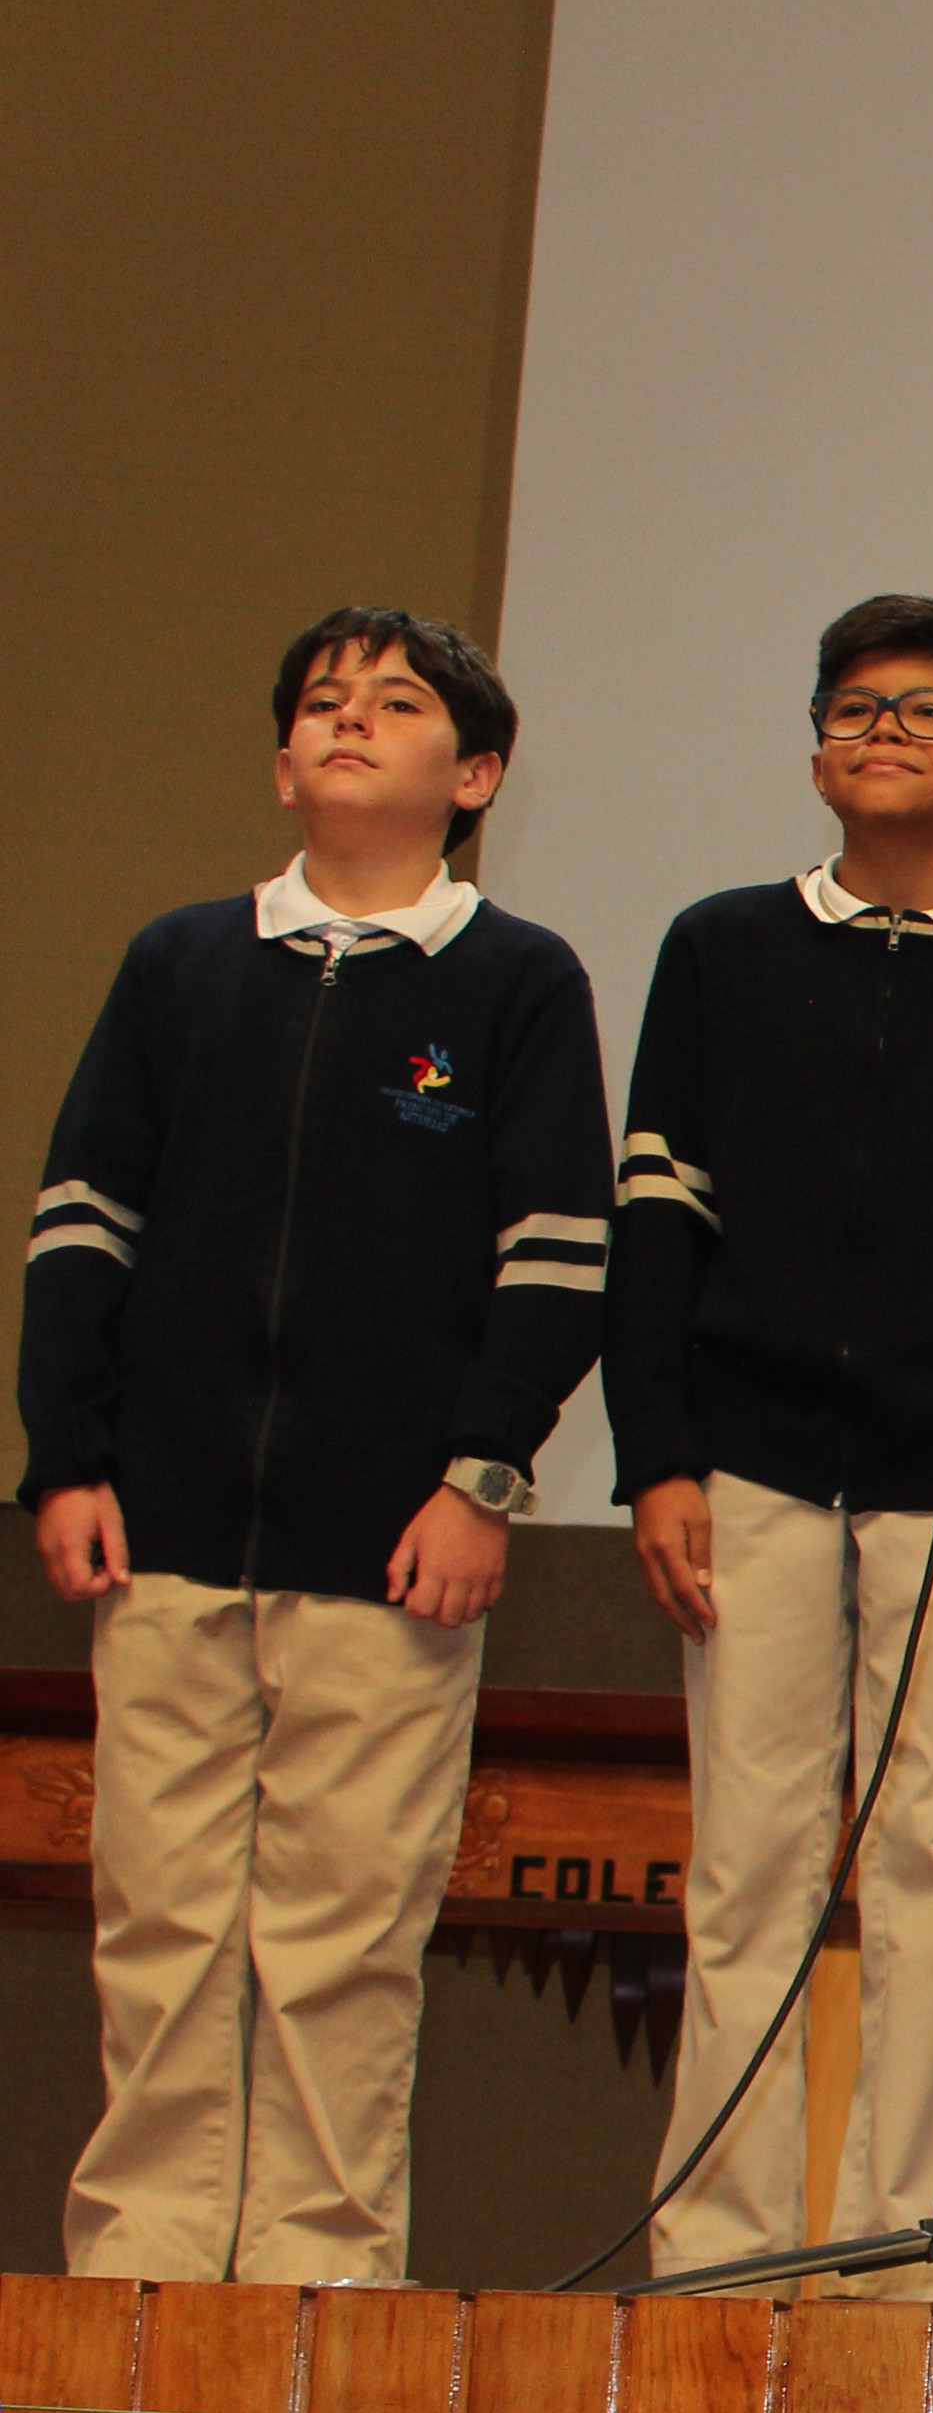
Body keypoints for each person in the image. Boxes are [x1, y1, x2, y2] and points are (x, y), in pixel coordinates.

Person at [21, 609, 607, 2280]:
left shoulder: (514, 979)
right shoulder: (182, 962)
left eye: (396, 703)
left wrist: (481, 1476)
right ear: (282, 764)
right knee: (159, 1926)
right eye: (323, 704)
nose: (349, 720)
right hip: (166, 1527)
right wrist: (68, 1454)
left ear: (474, 775)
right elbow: (83, 1220)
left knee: (342, 1937)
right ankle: (140, 2271)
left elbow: (559, 1257)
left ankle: (318, 2279)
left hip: (391, 1545)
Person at [604, 592, 933, 2291]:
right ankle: (724, 2250)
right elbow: (656, 1222)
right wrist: (656, 1454)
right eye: (851, 709)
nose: (879, 734)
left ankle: (914, 2252)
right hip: (749, 1463)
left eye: (922, 712)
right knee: (747, 1867)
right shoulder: (724, 947)